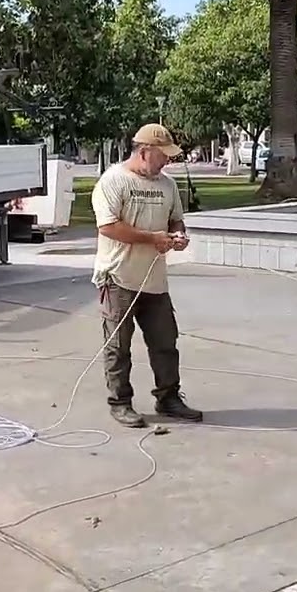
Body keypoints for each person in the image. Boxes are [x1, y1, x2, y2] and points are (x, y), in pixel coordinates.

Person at [90, 123, 204, 428]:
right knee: (118, 346)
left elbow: (175, 219)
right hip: (118, 280)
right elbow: (108, 227)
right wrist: (153, 238)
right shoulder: (113, 181)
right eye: (162, 155)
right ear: (144, 152)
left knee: (165, 342)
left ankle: (168, 398)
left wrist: (178, 236)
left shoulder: (167, 185)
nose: (167, 160)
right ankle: (120, 402)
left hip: (154, 282)